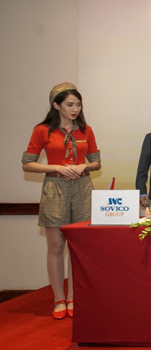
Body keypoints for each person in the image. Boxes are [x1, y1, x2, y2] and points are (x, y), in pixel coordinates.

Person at [22, 82, 101, 320]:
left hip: (83, 188)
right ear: (56, 106)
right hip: (55, 187)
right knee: (56, 247)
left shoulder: (86, 130)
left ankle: (75, 298)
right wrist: (56, 167)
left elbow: (96, 162)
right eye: (70, 105)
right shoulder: (42, 130)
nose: (75, 109)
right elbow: (28, 163)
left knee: (78, 247)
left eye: (78, 105)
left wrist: (84, 166)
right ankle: (59, 298)